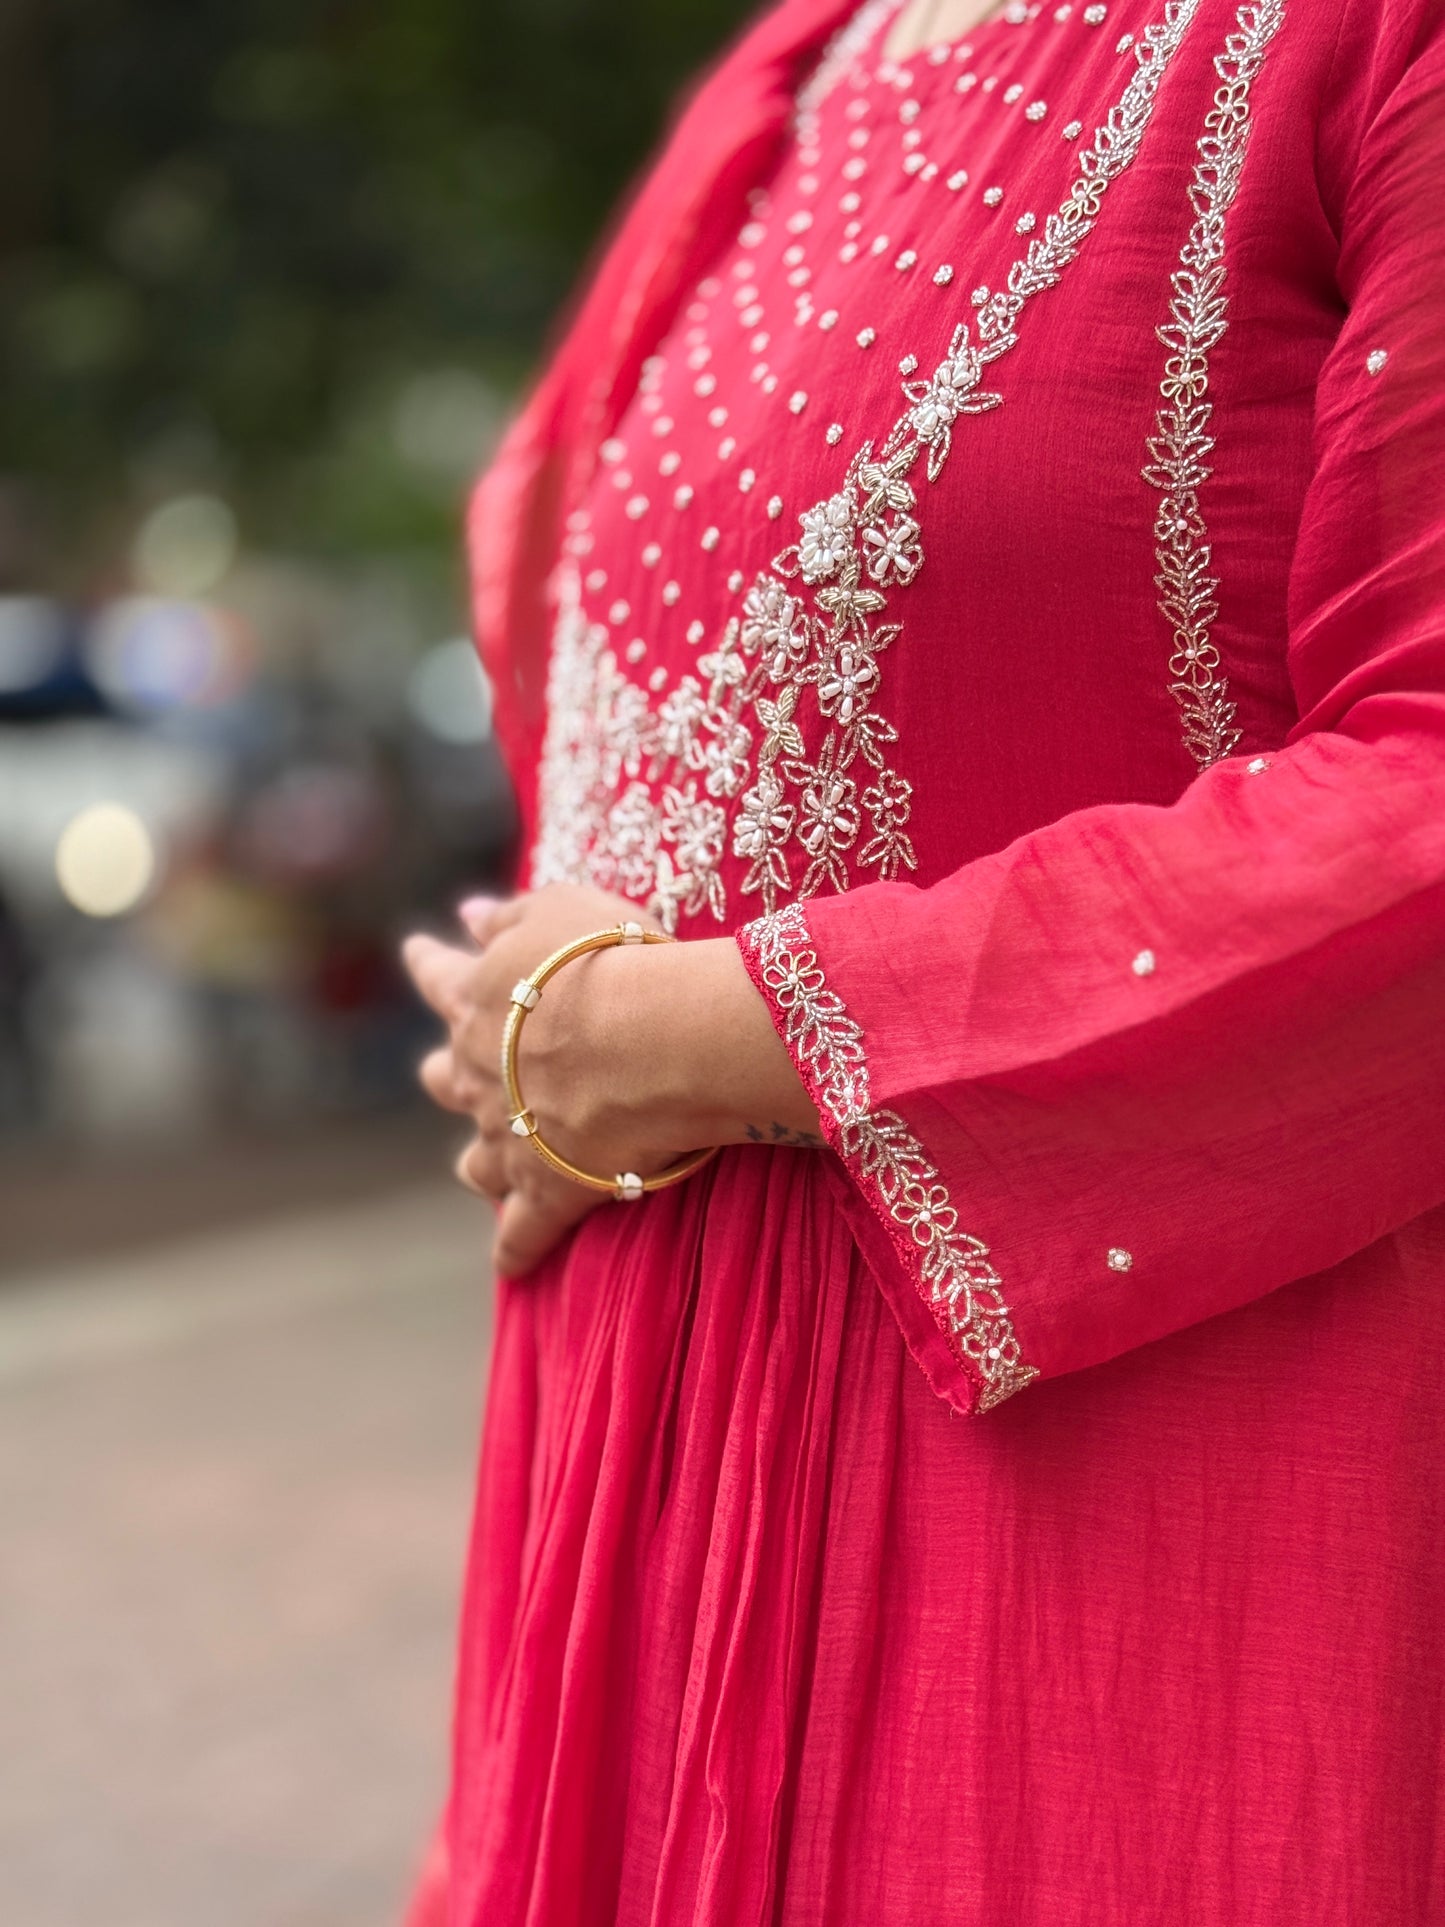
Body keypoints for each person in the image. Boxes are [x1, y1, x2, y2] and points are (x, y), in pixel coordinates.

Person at [401, 0, 1445, 1919]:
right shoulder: (795, 69)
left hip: (1123, 1535)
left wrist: (710, 1036)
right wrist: (529, 1037)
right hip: (636, 1474)